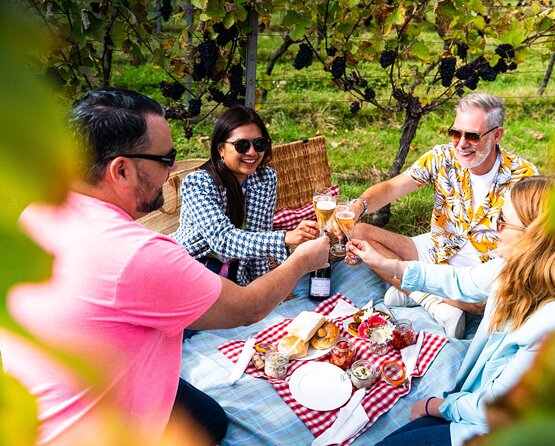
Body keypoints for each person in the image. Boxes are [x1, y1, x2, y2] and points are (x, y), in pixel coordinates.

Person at [0, 88, 329, 446]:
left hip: (36, 409)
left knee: (210, 420)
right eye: (166, 158)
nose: (173, 168)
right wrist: (301, 260)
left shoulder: (36, 212)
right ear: (121, 170)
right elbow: (248, 306)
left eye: (259, 144)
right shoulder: (140, 253)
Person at [347, 176, 555, 446]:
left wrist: (436, 406)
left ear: (535, 238)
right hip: (477, 408)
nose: (495, 229)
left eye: (504, 222)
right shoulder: (518, 270)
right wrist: (390, 266)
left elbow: (498, 411)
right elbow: (459, 281)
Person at [346, 92, 538, 338]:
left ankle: (413, 291)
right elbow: (393, 187)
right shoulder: (442, 157)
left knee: (489, 302)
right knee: (359, 232)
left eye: (472, 136)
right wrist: (358, 206)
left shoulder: (523, 177)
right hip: (438, 250)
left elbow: (533, 243)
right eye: (456, 133)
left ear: (497, 134)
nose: (460, 143)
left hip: (480, 271)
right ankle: (434, 301)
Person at [172, 105, 320, 285]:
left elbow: (259, 236)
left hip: (235, 274)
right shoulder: (198, 183)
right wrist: (285, 238)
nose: (251, 152)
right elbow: (223, 239)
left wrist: (264, 287)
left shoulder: (265, 179)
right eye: (241, 145)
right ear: (220, 149)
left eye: (259, 144)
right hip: (193, 267)